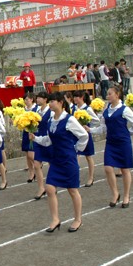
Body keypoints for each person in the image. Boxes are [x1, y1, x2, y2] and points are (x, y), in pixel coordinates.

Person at [32, 92, 89, 233]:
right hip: (55, 159)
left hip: (68, 159)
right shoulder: (51, 120)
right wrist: (35, 138)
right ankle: (55, 219)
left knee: (72, 190)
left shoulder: (69, 120)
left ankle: (77, 219)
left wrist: (77, 149)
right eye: (49, 101)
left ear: (60, 103)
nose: (50, 104)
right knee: (50, 188)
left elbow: (84, 135)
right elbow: (49, 140)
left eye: (52, 101)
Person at [87, 85, 133, 208]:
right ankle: (115, 193)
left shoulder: (124, 109)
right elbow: (103, 128)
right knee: (108, 168)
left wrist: (129, 133)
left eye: (110, 93)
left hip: (123, 143)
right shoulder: (106, 111)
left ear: (117, 95)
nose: (107, 96)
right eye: (107, 94)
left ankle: (126, 195)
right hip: (111, 143)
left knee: (124, 169)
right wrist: (90, 130)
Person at [72, 90, 100, 187]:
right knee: (75, 156)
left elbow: (96, 120)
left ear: (82, 97)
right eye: (74, 96)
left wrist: (89, 128)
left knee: (88, 156)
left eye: (77, 96)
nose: (75, 98)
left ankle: (91, 177)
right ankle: (75, 176)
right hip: (75, 136)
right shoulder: (74, 108)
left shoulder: (87, 109)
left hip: (85, 135)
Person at [33, 91, 52, 200]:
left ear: (45, 99)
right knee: (36, 164)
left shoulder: (51, 111)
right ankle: (41, 187)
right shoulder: (36, 110)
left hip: (48, 139)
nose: (38, 99)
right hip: (38, 139)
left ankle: (52, 183)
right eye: (37, 98)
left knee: (51, 162)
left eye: (40, 98)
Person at [21, 92, 38, 182]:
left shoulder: (35, 109)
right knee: (27, 154)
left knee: (31, 154)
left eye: (27, 99)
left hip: (33, 132)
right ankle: (31, 173)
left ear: (32, 99)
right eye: (25, 100)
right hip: (25, 132)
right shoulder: (24, 109)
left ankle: (38, 166)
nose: (26, 101)